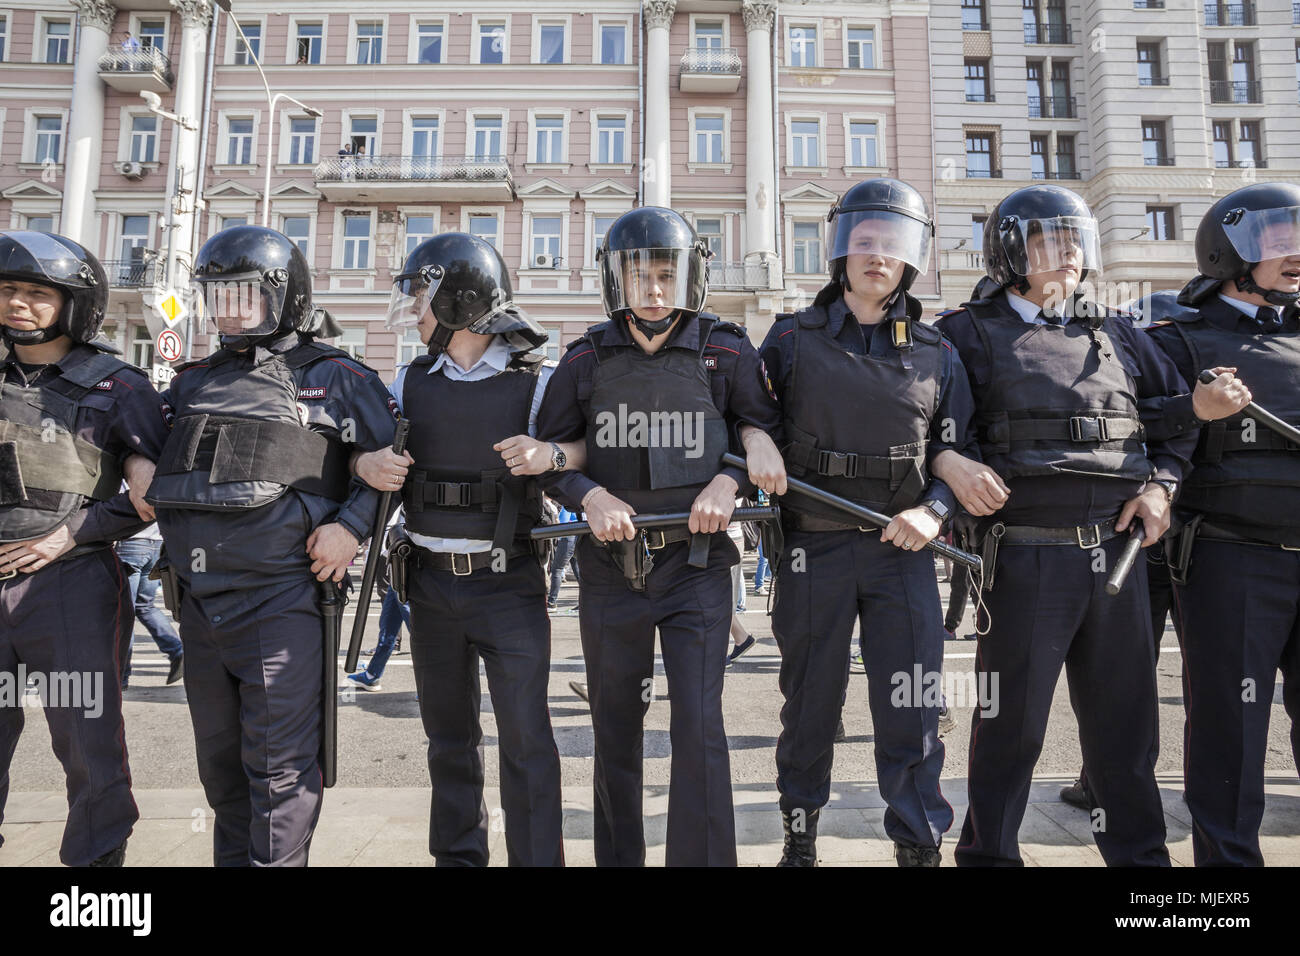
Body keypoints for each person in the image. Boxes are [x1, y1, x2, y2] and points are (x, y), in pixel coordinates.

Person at [933, 184, 1200, 867]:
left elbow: (1179, 419)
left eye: (1076, 238)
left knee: (1126, 731)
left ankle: (1142, 866)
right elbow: (920, 422)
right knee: (1010, 730)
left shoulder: (1118, 331)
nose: (1069, 252)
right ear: (1010, 252)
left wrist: (1162, 487)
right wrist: (951, 462)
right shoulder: (961, 334)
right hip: (1023, 558)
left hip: (1118, 558)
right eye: (1051, 239)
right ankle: (989, 857)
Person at [141, 225, 398, 867]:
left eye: (244, 294)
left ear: (283, 295)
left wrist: (351, 528)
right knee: (220, 770)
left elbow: (393, 463)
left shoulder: (335, 375)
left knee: (278, 773)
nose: (227, 309)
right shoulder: (192, 381)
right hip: (197, 605)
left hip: (279, 598)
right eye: (217, 294)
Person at [534, 206, 784, 867]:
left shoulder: (726, 349)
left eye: (665, 274)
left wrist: (729, 484)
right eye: (637, 274)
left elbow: (760, 431)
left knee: (698, 728)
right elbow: (554, 455)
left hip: (697, 568)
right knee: (614, 732)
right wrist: (588, 496)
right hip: (610, 571)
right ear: (615, 279)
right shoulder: (585, 357)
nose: (651, 288)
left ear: (691, 276)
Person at [758, 178, 977, 867]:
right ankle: (800, 838)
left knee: (911, 715)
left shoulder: (938, 351)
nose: (877, 256)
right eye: (864, 242)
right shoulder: (791, 338)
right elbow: (750, 421)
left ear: (910, 257)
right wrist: (755, 439)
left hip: (902, 552)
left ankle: (918, 845)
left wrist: (933, 510)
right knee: (809, 711)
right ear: (841, 252)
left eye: (891, 245)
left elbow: (959, 452)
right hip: (812, 552)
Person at [353, 232, 585, 866]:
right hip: (428, 588)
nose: (416, 312)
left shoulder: (535, 384)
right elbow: (373, 459)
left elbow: (580, 454)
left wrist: (554, 455)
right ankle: (458, 859)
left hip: (507, 584)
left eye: (423, 296)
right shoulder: (411, 377)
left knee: (527, 740)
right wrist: (364, 461)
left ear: (459, 300)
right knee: (448, 741)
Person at [0, 230, 168, 866]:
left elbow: (156, 492)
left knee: (85, 745)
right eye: (8, 290)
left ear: (72, 302)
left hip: (68, 587)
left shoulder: (119, 386)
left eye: (36, 293)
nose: (18, 303)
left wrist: (69, 534)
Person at [1144, 182, 1300, 865]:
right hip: (1233, 559)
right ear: (1230, 249)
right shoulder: (1178, 339)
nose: (1296, 254)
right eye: (1278, 240)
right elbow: (1134, 430)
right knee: (1230, 734)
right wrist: (1193, 409)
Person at [346, 507, 410, 692]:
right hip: (394, 562)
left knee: (416, 626)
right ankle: (372, 674)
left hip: (406, 564)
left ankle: (431, 683)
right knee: (388, 624)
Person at [116, 518, 184, 689]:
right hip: (156, 542)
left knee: (125, 612)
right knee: (145, 606)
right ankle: (177, 651)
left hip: (131, 540)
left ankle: (121, 675)